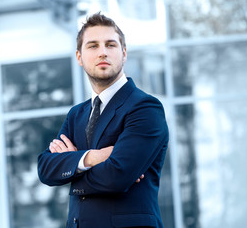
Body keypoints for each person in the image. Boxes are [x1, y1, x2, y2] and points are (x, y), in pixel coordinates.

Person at [37, 12, 169, 228]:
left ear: (124, 53)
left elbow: (117, 176)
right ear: (79, 57)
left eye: (110, 45)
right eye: (93, 46)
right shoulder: (77, 115)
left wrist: (72, 167)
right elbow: (45, 169)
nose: (103, 52)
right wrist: (91, 158)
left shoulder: (145, 108)